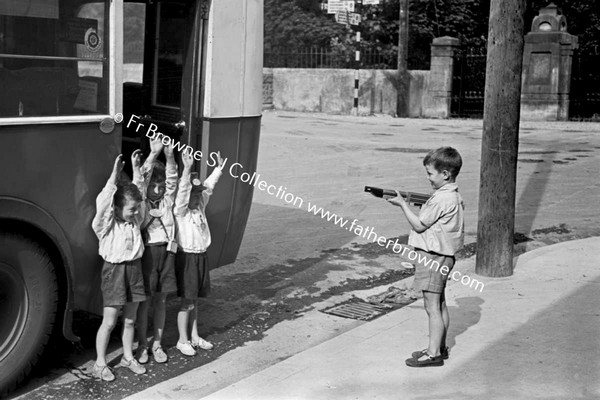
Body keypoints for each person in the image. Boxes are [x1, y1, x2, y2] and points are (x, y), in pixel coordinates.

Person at [386, 146, 464, 367]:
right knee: (440, 303)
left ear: (446, 174)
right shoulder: (453, 196)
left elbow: (420, 225)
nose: (428, 178)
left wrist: (402, 204)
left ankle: (433, 354)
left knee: (431, 307)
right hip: (443, 257)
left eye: (431, 173)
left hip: (432, 258)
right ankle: (439, 347)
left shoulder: (440, 199)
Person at [91, 152, 148, 381]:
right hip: (114, 272)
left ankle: (127, 357)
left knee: (130, 319)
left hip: (134, 269)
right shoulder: (105, 225)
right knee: (110, 320)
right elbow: (104, 203)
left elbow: (139, 195)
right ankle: (100, 363)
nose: (135, 213)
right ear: (117, 209)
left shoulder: (135, 220)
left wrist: (136, 170)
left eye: (136, 209)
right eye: (130, 209)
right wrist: (114, 176)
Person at [173, 151, 224, 356]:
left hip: (201, 255)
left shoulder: (200, 206)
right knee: (187, 300)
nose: (196, 197)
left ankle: (194, 336)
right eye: (193, 194)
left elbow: (208, 188)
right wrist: (186, 170)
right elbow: (184, 193)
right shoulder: (181, 212)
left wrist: (218, 169)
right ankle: (182, 339)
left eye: (197, 194)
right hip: (187, 258)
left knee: (195, 300)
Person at [136, 139, 178, 364]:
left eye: (161, 186)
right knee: (145, 302)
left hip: (167, 253)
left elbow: (173, 181)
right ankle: (142, 344)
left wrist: (170, 158)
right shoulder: (142, 203)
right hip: (149, 254)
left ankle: (157, 344)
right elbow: (140, 180)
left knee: (161, 301)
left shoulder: (166, 202)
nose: (159, 189)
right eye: (155, 185)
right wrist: (153, 155)